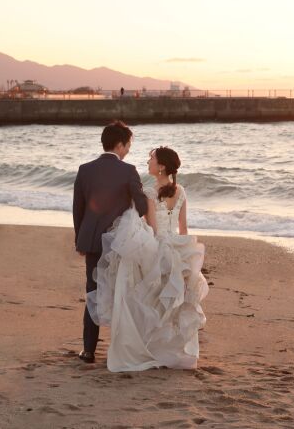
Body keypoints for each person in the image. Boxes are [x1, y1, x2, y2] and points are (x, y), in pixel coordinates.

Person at [86, 146, 208, 371]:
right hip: (178, 247)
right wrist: (185, 256)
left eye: (151, 158)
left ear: (161, 166)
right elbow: (183, 227)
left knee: (148, 299)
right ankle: (172, 350)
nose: (148, 161)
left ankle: (149, 349)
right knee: (171, 303)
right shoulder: (181, 191)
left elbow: (153, 229)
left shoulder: (150, 194)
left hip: (159, 247)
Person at [72, 121, 148, 364]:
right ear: (119, 144)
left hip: (92, 241)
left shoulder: (85, 169)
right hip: (119, 243)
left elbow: (78, 210)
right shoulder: (129, 171)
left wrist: (80, 241)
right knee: (121, 292)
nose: (128, 150)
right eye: (128, 145)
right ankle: (122, 349)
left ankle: (88, 351)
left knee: (93, 292)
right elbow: (143, 206)